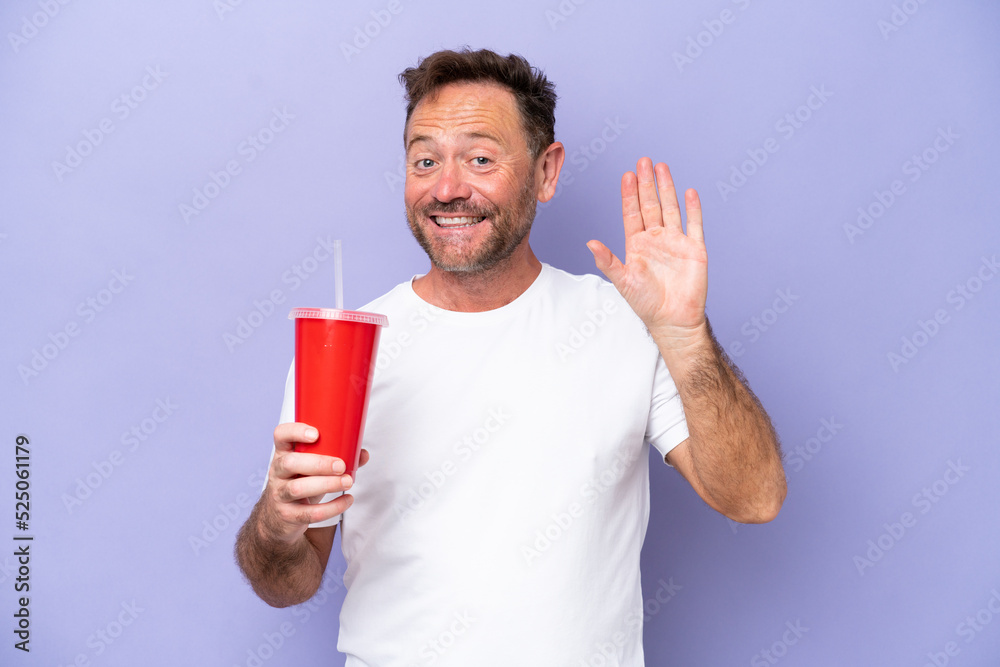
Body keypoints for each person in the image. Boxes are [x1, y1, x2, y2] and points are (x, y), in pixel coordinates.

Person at [236, 48, 786, 666]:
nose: (447, 188)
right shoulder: (347, 348)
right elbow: (287, 582)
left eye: (479, 158)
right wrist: (275, 526)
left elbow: (754, 498)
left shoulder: (623, 326)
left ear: (546, 173)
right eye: (425, 160)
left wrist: (685, 336)